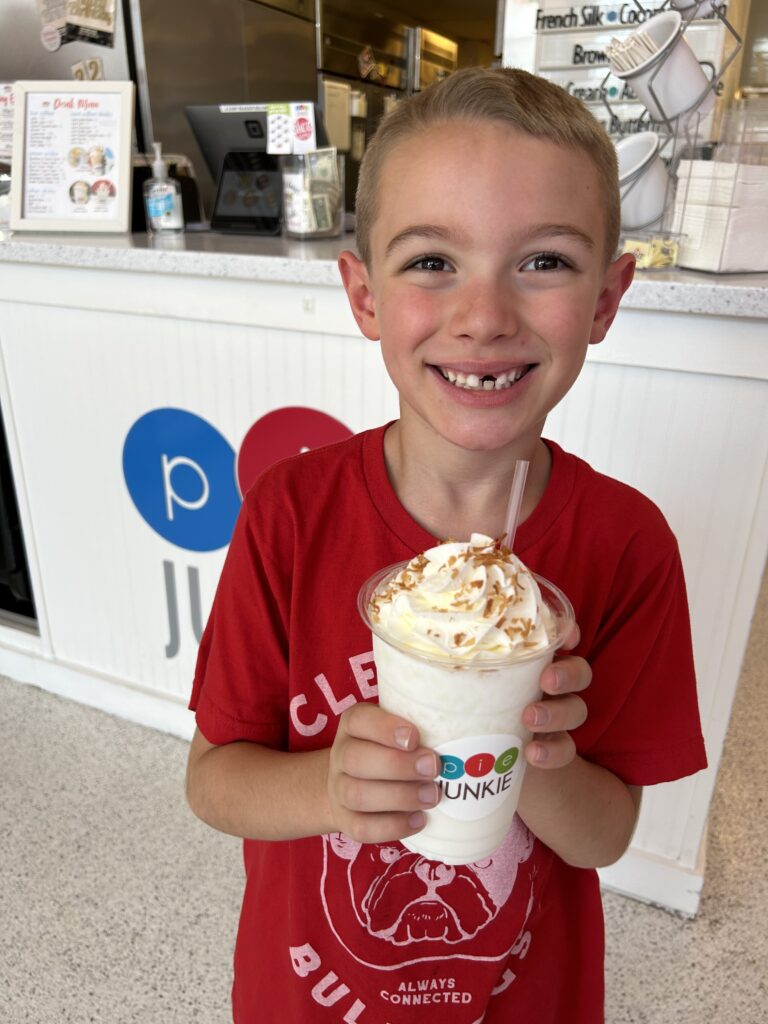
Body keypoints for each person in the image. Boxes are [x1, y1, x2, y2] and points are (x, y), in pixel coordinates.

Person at [186, 67, 706, 1023]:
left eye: (544, 260)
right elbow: (214, 782)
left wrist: (529, 749)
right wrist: (329, 787)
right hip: (307, 996)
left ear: (606, 298)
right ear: (364, 295)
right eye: (431, 260)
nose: (484, 316)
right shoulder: (289, 514)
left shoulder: (627, 545)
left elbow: (603, 838)